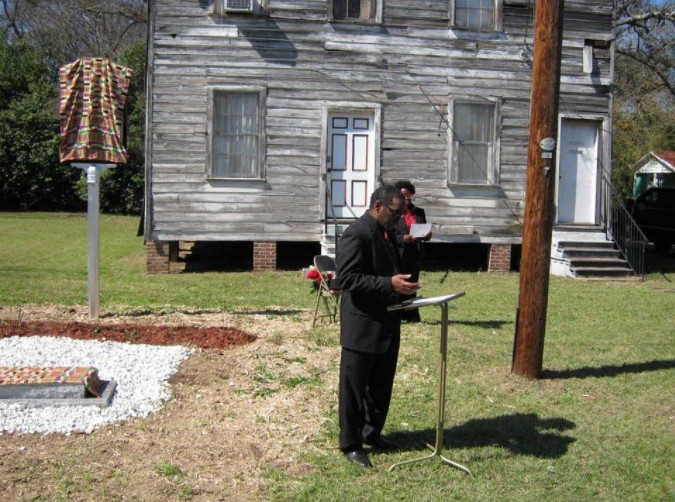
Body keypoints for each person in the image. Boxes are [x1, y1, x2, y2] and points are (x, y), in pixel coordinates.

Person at [335, 184, 421, 468]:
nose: (399, 220)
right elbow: (346, 279)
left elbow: (390, 266)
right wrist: (388, 284)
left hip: (388, 320)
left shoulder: (390, 232)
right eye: (396, 214)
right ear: (377, 207)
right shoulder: (356, 234)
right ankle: (351, 443)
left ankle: (373, 433)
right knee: (354, 388)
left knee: (382, 385)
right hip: (362, 324)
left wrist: (403, 281)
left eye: (402, 214)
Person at [394, 180, 432, 323]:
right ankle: (398, 314)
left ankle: (411, 315)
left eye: (409, 196)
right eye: (404, 196)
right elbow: (389, 234)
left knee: (412, 284)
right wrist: (403, 238)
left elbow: (423, 232)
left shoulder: (419, 212)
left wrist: (427, 235)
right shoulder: (394, 213)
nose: (407, 199)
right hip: (399, 253)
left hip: (415, 253)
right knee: (399, 283)